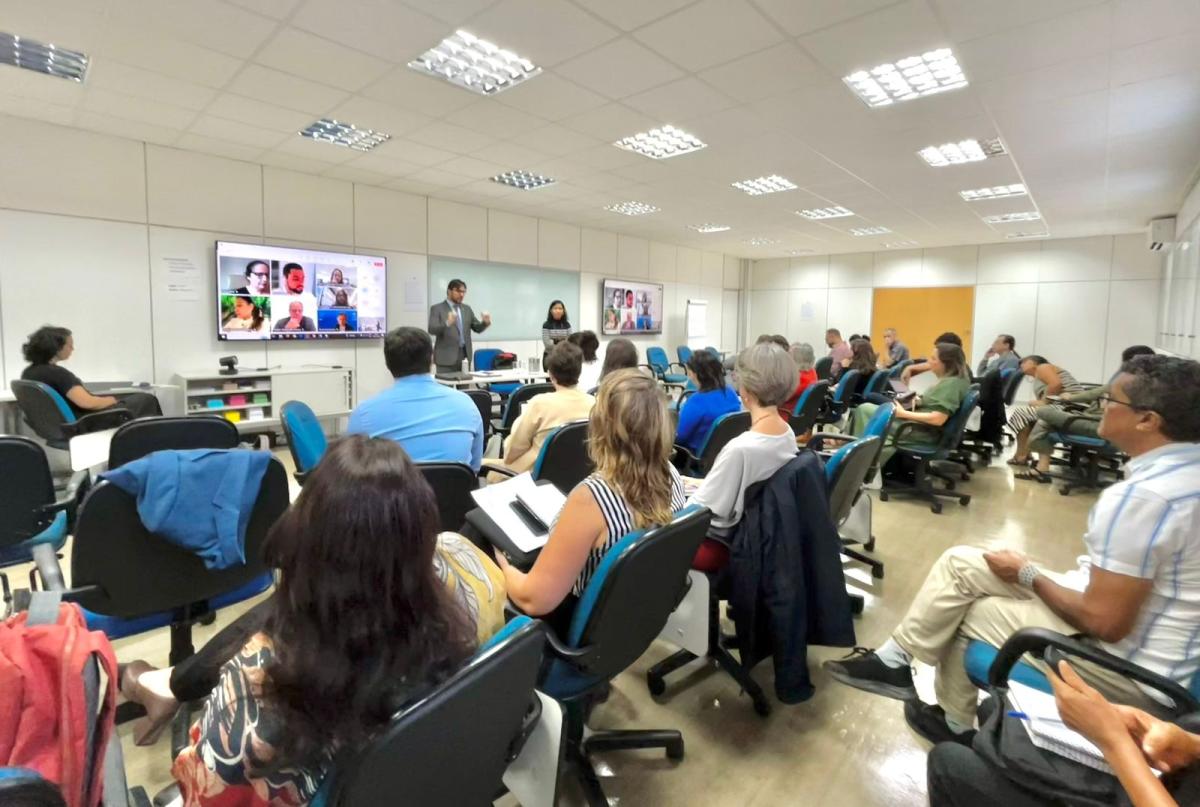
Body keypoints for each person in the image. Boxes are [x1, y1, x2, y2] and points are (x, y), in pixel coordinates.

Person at [824, 354, 1200, 746]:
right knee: (961, 564)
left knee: (969, 611)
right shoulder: (1183, 477)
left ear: (1147, 420)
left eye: (1112, 401)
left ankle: (953, 723)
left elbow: (1105, 623)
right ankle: (897, 660)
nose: (1101, 406)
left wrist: (1027, 574)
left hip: (1130, 671)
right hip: (1137, 634)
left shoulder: (1145, 499)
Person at [118, 435, 506, 804]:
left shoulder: (254, 692)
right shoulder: (466, 602)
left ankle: (160, 683)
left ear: (302, 539)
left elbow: (202, 795)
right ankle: (166, 683)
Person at [495, 370, 686, 633]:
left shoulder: (592, 498)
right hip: (625, 619)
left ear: (600, 425)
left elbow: (534, 600)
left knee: (483, 542)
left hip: (576, 625)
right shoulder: (671, 475)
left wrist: (501, 567)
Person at [927, 658, 1200, 806]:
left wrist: (1114, 743)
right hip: (1170, 781)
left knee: (946, 763)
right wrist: (1188, 744)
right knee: (996, 714)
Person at [688, 343, 798, 537]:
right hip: (758, 529)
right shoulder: (786, 432)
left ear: (746, 389)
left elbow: (696, 510)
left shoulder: (740, 450)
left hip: (719, 538)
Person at [348, 327, 485, 470]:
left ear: (387, 363)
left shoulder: (364, 413)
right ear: (432, 359)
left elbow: (351, 472)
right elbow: (474, 467)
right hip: (455, 492)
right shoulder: (466, 404)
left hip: (392, 491)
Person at [1022, 345, 1157, 481]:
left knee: (1044, 413)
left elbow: (1093, 396)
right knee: (1047, 420)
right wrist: (1071, 398)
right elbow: (1092, 395)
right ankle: (1042, 466)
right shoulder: (1153, 385)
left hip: (1097, 425)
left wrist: (1069, 398)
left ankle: (1039, 465)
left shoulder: (1124, 383)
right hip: (1109, 427)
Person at [849, 342, 971, 468]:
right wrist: (918, 401)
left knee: (865, 409)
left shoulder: (950, 385)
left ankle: (860, 462)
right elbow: (936, 405)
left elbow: (938, 419)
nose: (929, 361)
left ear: (947, 363)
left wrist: (903, 413)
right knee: (872, 405)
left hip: (917, 431)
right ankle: (864, 458)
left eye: (933, 358)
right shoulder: (956, 380)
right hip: (919, 427)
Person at [484, 342, 595, 477]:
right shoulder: (595, 404)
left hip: (534, 476)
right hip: (578, 475)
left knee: (483, 466)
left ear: (550, 373)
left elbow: (512, 451)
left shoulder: (539, 404)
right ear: (579, 372)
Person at [19, 325, 161, 418]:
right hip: (84, 421)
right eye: (69, 345)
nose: (72, 349)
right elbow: (88, 403)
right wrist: (112, 400)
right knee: (146, 399)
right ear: (57, 348)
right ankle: (157, 446)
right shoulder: (58, 374)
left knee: (135, 400)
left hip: (60, 424)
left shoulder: (29, 372)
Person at [1007, 355, 1085, 478]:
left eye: (1024, 362)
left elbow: (1056, 384)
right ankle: (1024, 454)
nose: (1021, 365)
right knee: (1026, 415)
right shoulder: (1038, 376)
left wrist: (1043, 402)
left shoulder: (1043, 367)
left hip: (1072, 406)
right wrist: (1041, 402)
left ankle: (1022, 455)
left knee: (1020, 413)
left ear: (1033, 363)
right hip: (1065, 405)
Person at [675, 349, 741, 455]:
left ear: (693, 374)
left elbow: (679, 437)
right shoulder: (730, 392)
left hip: (693, 458)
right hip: (724, 454)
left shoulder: (697, 401)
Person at [428, 279, 491, 374]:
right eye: (458, 291)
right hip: (446, 358)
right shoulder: (437, 308)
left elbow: (477, 328)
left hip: (465, 357)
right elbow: (432, 329)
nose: (461, 295)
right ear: (449, 291)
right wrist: (447, 323)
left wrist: (485, 322)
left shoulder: (467, 309)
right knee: (446, 388)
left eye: (463, 292)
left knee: (464, 388)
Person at [779, 342, 819, 421]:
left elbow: (780, 398)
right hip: (798, 413)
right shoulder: (811, 372)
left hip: (784, 414)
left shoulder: (801, 379)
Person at [541, 299, 573, 366]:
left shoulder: (567, 325)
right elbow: (548, 344)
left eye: (560, 308)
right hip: (550, 357)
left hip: (565, 358)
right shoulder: (546, 325)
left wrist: (555, 341)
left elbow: (570, 341)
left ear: (563, 311)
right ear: (551, 311)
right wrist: (563, 341)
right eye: (555, 308)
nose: (558, 311)